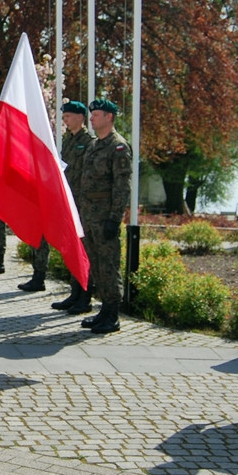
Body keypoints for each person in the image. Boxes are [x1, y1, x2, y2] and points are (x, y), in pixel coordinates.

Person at [77, 99, 132, 334]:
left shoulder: (118, 147)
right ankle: (103, 310)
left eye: (96, 115)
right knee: (96, 265)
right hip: (89, 216)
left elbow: (122, 186)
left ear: (109, 117)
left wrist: (114, 218)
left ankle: (113, 314)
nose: (91, 119)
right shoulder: (94, 145)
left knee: (109, 266)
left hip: (104, 217)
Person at [52, 100, 97, 313]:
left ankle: (85, 298)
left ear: (80, 117)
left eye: (68, 117)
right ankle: (75, 293)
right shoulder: (69, 141)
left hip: (83, 206)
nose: (65, 121)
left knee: (84, 250)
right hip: (70, 204)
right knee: (72, 248)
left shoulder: (89, 141)